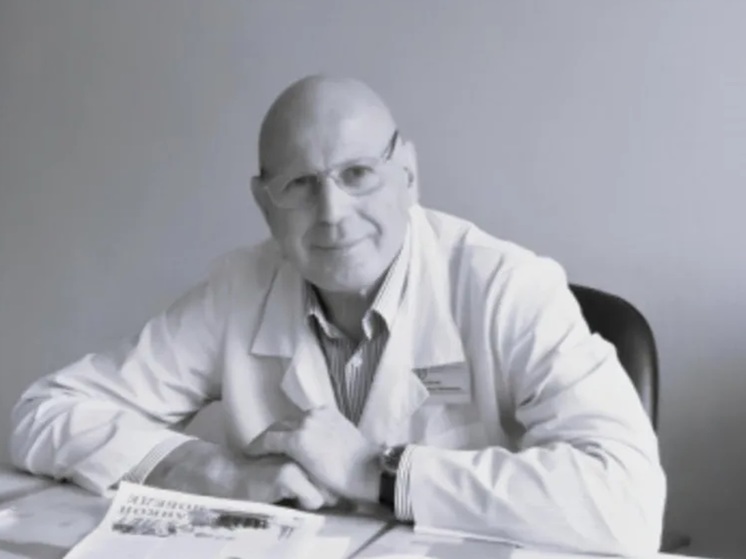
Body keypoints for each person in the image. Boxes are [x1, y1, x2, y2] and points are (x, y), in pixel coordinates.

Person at [10, 75, 666, 555]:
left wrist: (375, 471)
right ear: (264, 203)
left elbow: (629, 501)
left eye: (357, 174)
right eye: (299, 185)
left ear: (408, 173)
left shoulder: (505, 285)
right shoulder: (237, 289)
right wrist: (215, 473)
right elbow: (46, 411)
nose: (331, 214)